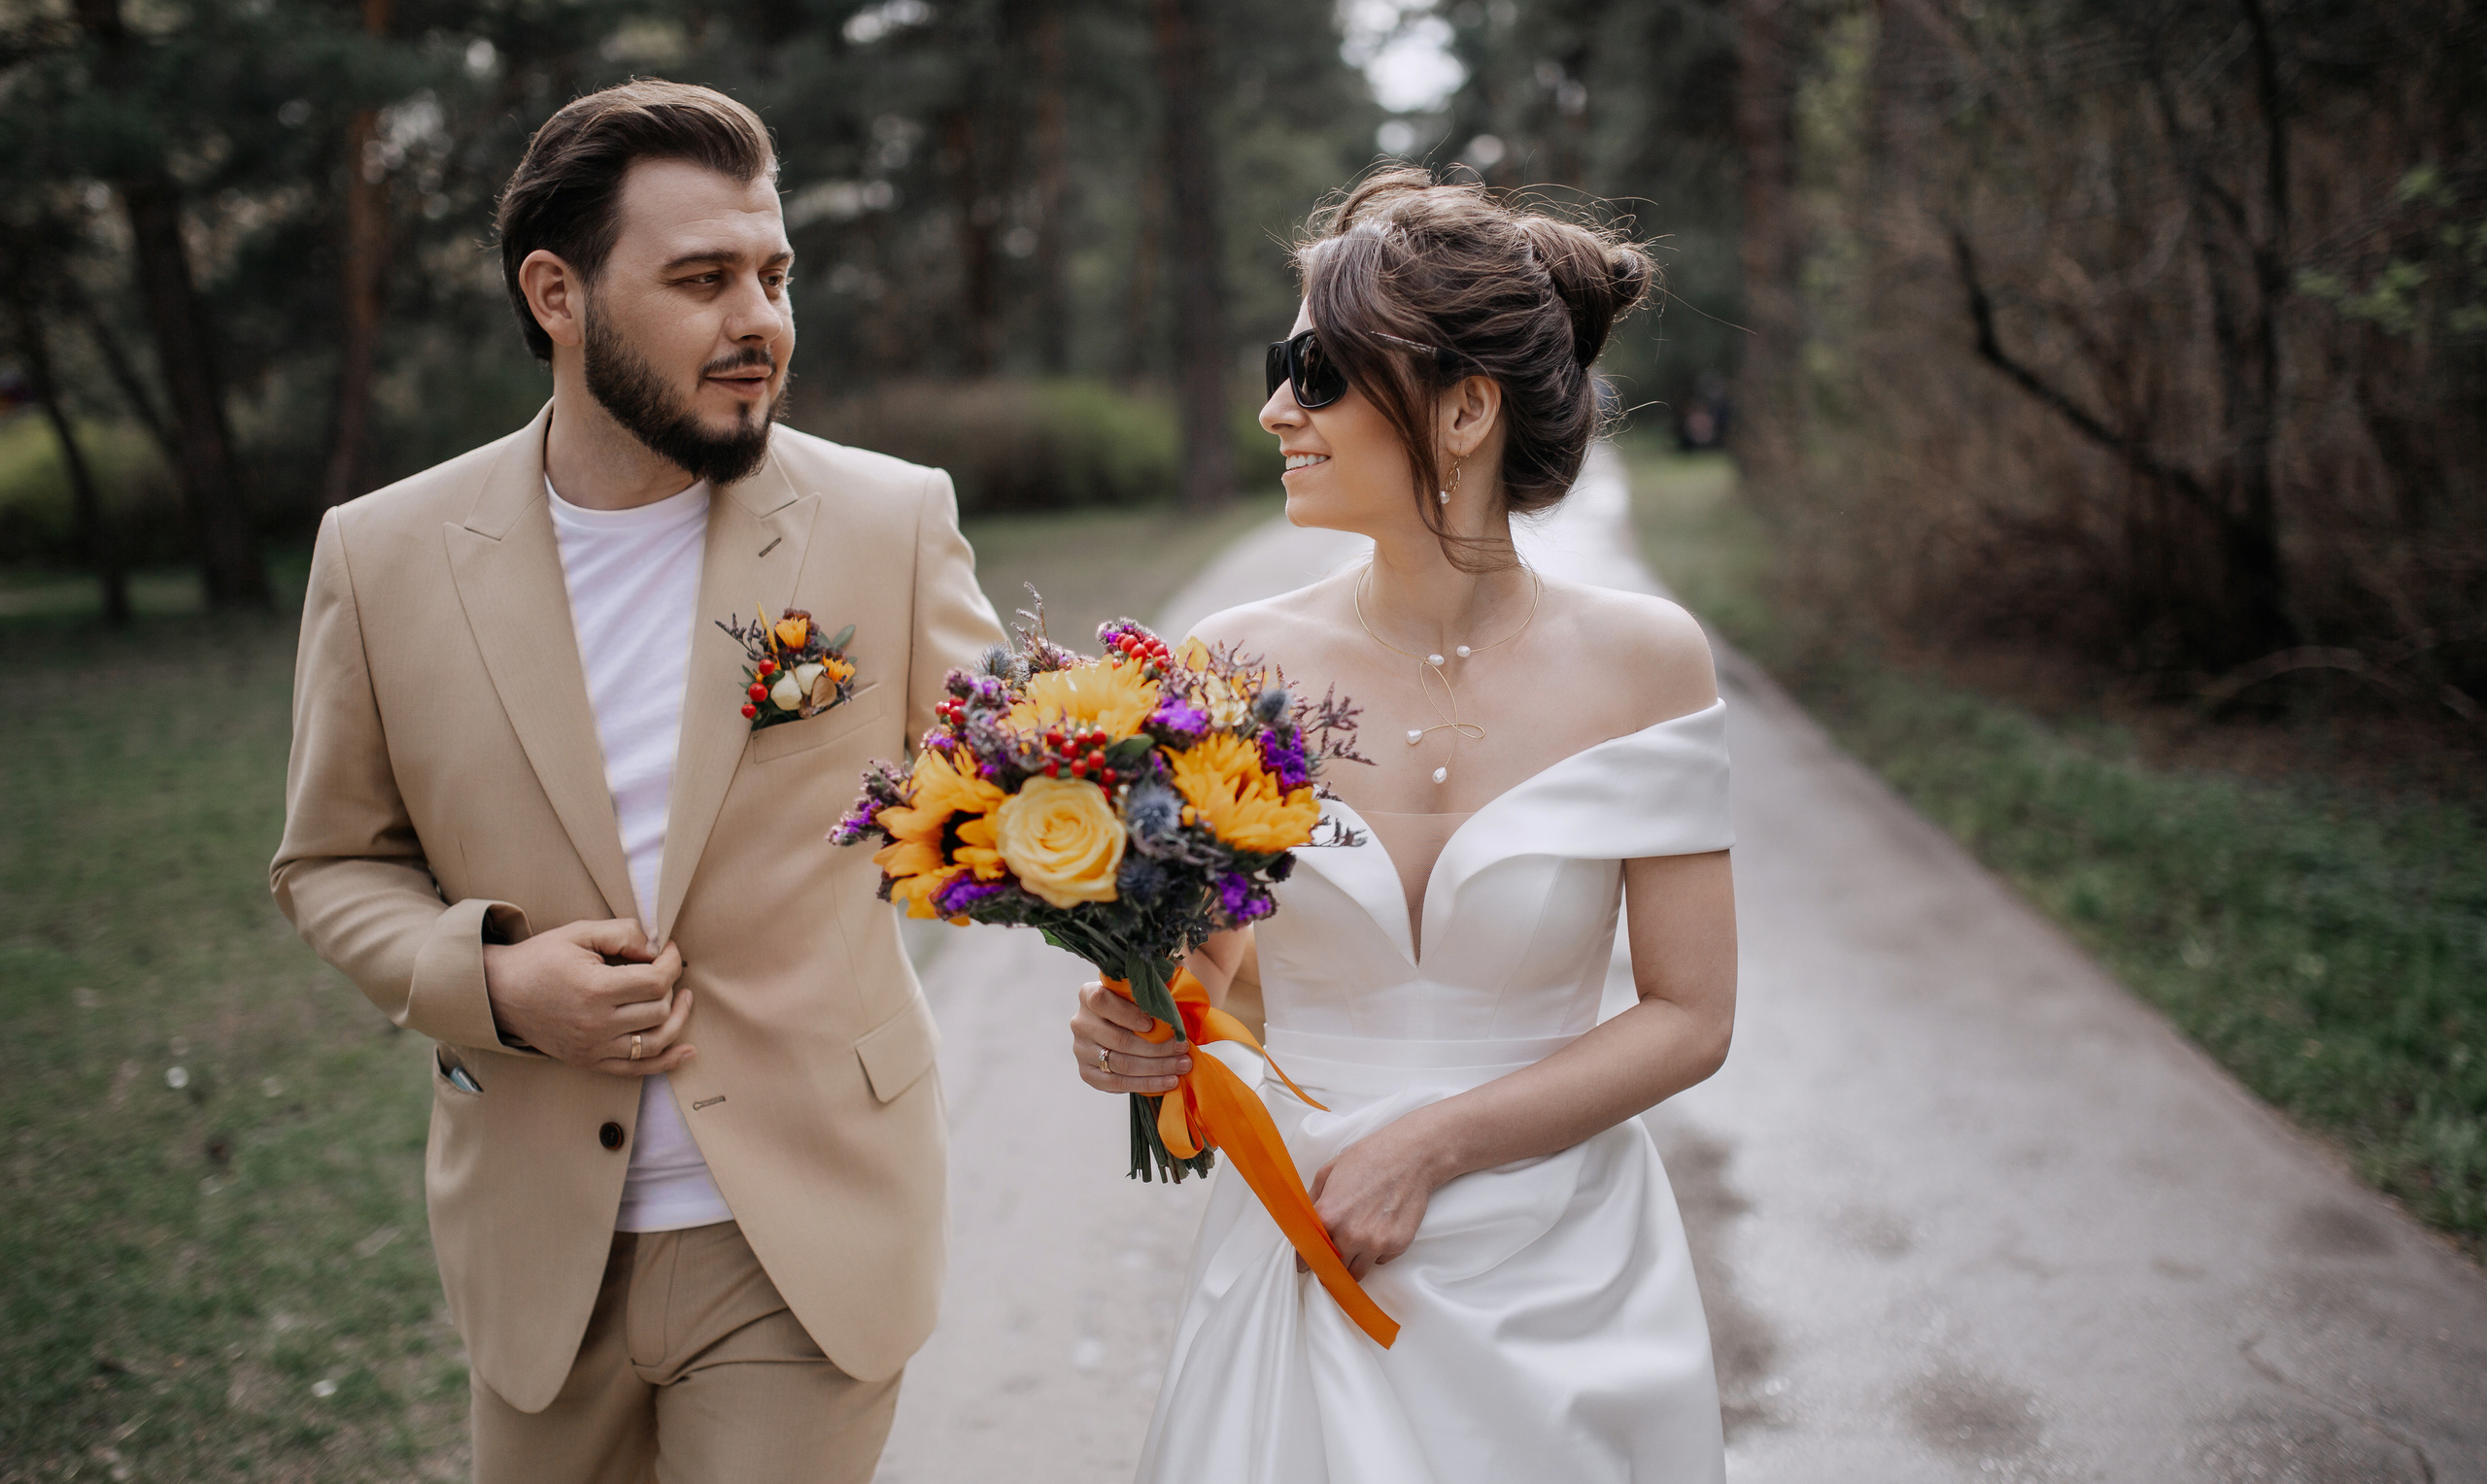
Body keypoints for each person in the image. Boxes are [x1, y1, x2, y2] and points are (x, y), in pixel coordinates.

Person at [271, 79, 1002, 1483]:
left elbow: (1021, 795)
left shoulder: (889, 522)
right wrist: (494, 984)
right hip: (539, 1248)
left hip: (808, 1238)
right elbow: (329, 861)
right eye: (703, 279)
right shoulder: (380, 557)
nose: (762, 322)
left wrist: (1153, 920)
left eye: (777, 275)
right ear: (558, 293)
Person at [1070, 166, 1738, 1482]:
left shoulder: (1648, 663)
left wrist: (1431, 1147)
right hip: (1300, 1242)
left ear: (1465, 409)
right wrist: (1145, 1020)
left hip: (1569, 1284)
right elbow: (1214, 968)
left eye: (1314, 371)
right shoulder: (1229, 662)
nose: (1275, 411)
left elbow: (1690, 1016)